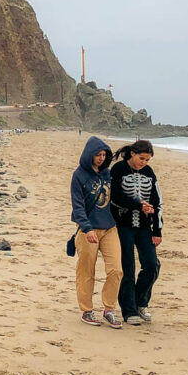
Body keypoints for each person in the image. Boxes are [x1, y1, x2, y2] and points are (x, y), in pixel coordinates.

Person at [70, 136, 124, 328]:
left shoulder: (107, 174)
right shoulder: (79, 175)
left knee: (116, 269)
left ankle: (109, 309)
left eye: (104, 155)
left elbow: (118, 198)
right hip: (88, 230)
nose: (101, 158)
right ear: (89, 154)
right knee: (86, 271)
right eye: (97, 155)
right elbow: (77, 206)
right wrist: (86, 228)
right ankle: (87, 310)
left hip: (109, 228)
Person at [110, 140, 162, 325]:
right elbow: (114, 197)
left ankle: (141, 302)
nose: (144, 163)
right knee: (127, 268)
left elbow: (157, 202)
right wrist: (138, 204)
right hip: (122, 225)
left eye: (147, 160)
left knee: (152, 265)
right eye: (141, 158)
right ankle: (129, 310)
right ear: (132, 153)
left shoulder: (148, 173)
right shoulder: (118, 169)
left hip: (144, 227)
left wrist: (157, 230)